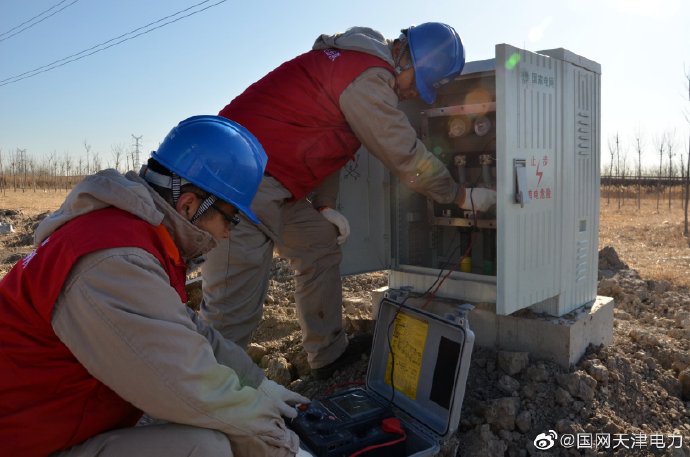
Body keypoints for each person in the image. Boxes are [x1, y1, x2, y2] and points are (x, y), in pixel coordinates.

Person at [200, 22, 497, 380]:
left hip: (273, 184)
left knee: (319, 244)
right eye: (416, 85)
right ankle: (203, 395)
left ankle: (327, 354)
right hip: (233, 181)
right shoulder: (368, 75)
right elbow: (403, 153)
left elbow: (330, 143)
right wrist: (460, 195)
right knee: (232, 310)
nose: (410, 95)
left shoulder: (354, 66)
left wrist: (324, 205)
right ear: (405, 58)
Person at [0, 115, 310, 457]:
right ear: (189, 205)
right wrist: (288, 448)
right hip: (23, 445)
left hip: (56, 425)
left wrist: (257, 383)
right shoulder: (113, 262)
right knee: (206, 451)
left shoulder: (126, 235)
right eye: (230, 218)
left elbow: (187, 331)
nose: (227, 234)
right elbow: (184, 383)